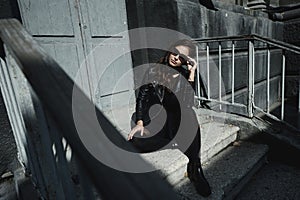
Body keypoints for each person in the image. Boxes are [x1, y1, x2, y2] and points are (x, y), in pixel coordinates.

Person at [127, 39, 211, 197]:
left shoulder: (186, 74)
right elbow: (142, 97)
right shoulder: (153, 70)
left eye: (181, 57)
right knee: (134, 143)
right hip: (156, 119)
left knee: (189, 113)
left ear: (186, 61)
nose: (176, 58)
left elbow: (188, 102)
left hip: (177, 118)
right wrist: (139, 122)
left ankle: (195, 168)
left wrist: (192, 72)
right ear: (169, 51)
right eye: (174, 52)